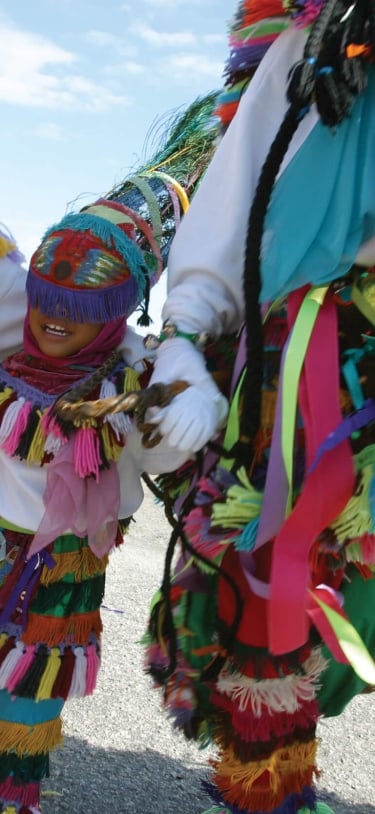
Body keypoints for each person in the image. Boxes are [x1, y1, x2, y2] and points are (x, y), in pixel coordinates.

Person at [142, 2, 375, 813]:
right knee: (273, 593)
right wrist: (183, 338)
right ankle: (270, 793)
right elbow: (240, 190)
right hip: (317, 359)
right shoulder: (311, 53)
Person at [0, 198, 197, 814]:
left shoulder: (136, 374)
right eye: (47, 297)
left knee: (32, 684)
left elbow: (165, 459)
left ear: (117, 310)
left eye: (79, 306)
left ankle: (14, 793)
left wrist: (171, 409)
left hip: (68, 562)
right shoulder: (10, 344)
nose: (55, 317)